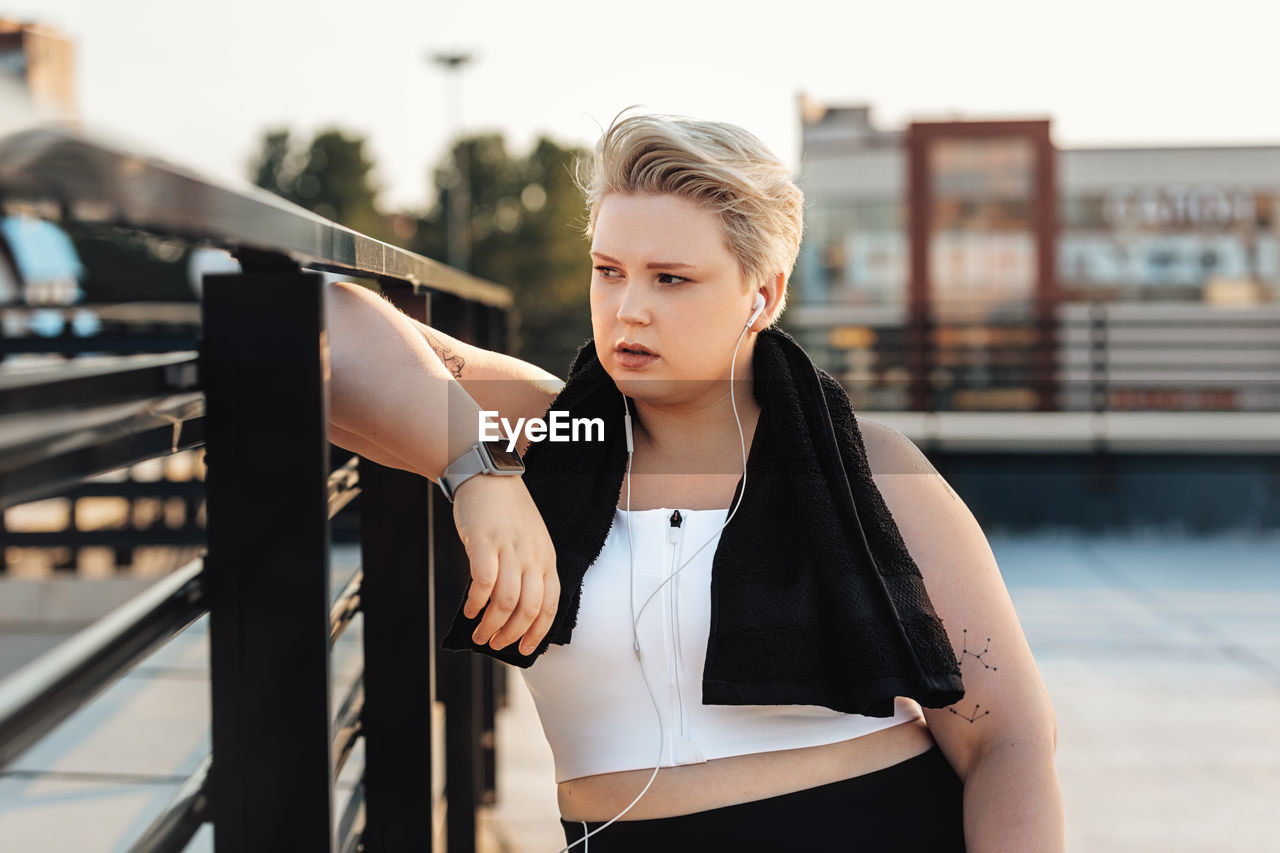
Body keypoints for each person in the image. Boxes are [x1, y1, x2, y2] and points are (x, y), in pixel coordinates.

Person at [325, 111, 1064, 851]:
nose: (628, 309)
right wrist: (479, 473)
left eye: (670, 278)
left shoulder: (870, 468)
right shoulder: (546, 435)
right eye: (608, 270)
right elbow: (324, 323)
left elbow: (1008, 740)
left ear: (763, 296)